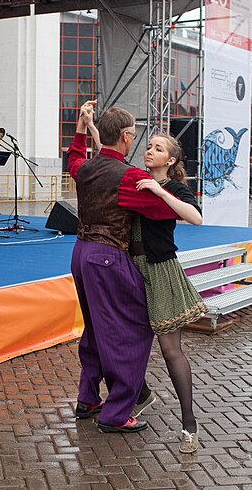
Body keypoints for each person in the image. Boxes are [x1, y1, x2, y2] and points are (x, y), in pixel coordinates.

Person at [85, 116, 207, 452]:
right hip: (130, 269)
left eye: (157, 148)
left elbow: (195, 217)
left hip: (160, 272)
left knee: (170, 351)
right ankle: (140, 394)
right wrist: (93, 129)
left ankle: (189, 424)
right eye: (148, 146)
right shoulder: (132, 178)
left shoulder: (174, 188)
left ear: (170, 160)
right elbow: (108, 155)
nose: (149, 151)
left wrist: (158, 189)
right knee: (121, 342)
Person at [68, 101, 179, 434]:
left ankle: (88, 398)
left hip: (80, 253)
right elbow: (161, 211)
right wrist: (174, 192)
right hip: (108, 258)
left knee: (95, 329)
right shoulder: (130, 177)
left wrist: (81, 129)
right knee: (132, 330)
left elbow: (73, 160)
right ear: (127, 137)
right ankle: (116, 413)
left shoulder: (87, 168)